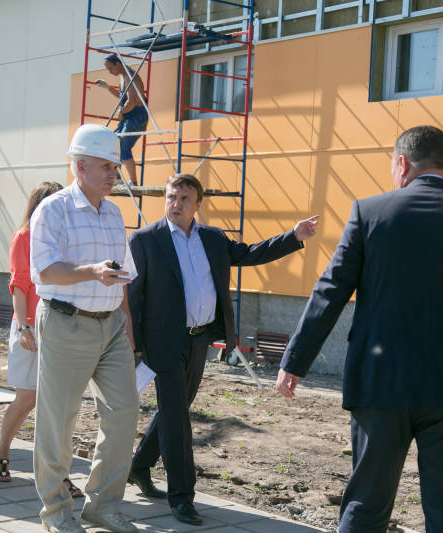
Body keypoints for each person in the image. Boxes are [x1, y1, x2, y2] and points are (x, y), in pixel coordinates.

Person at [276, 125, 443, 533]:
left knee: (366, 505)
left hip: (381, 382)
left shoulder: (369, 212)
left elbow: (331, 290)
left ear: (402, 163)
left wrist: (295, 360)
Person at [126, 173, 318, 525]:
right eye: (171, 197)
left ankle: (139, 466)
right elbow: (133, 297)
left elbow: (249, 254)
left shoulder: (212, 238)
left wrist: (292, 236)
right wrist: (134, 345)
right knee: (177, 419)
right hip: (162, 343)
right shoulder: (144, 239)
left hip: (198, 339)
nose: (176, 204)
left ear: (197, 204)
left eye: (184, 198)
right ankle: (182, 497)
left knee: (176, 408)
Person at [30, 124, 139, 533]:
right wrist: (91, 272)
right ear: (79, 166)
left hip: (111, 326)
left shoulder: (113, 213)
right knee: (59, 420)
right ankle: (56, 513)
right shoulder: (53, 210)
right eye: (106, 166)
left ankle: (102, 506)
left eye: (115, 167)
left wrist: (126, 325)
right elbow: (45, 270)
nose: (114, 174)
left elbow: (121, 274)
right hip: (66, 323)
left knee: (124, 413)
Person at [0, 180, 83, 497]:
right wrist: (22, 327)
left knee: (58, 407)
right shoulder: (25, 237)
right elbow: (19, 285)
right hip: (30, 327)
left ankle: (58, 474)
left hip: (61, 328)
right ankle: (2, 450)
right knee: (26, 399)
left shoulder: (65, 239)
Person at [95, 54, 148, 186]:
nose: (109, 72)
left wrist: (121, 111)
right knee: (114, 143)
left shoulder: (130, 76)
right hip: (129, 117)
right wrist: (107, 87)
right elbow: (122, 96)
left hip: (137, 117)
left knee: (123, 147)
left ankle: (133, 182)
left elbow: (132, 101)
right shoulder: (122, 77)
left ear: (118, 64)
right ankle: (117, 178)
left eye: (110, 68)